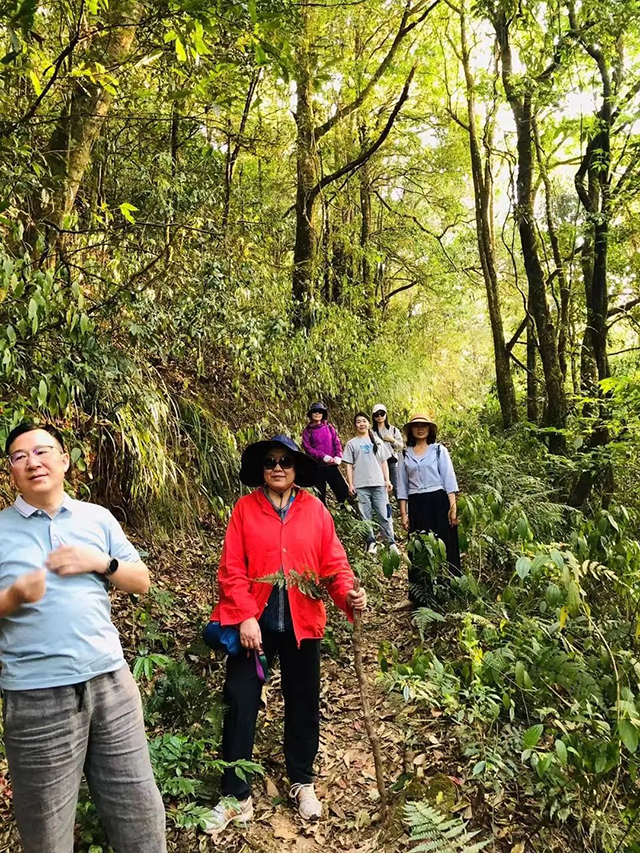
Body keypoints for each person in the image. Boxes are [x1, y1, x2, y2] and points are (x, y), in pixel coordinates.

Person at [0, 422, 166, 853]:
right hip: (36, 698)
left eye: (42, 451)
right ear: (10, 471)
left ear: (64, 459)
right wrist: (14, 596)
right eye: (20, 456)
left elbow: (141, 580)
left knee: (141, 817)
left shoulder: (97, 517)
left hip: (111, 684)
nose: (33, 462)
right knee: (47, 833)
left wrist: (100, 562)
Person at [205, 434, 366, 838]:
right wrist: (244, 616)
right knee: (241, 702)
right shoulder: (245, 509)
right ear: (262, 470)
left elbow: (333, 564)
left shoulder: (315, 510)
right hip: (253, 627)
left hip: (301, 621)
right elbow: (231, 569)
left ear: (296, 469)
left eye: (286, 462)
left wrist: (349, 593)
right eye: (270, 462)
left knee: (303, 702)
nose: (278, 467)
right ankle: (235, 795)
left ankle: (301, 780)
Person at [396, 414, 461, 603]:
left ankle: (449, 589)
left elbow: (449, 479)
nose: (420, 429)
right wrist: (403, 512)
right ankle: (419, 595)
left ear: (430, 429)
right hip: (416, 503)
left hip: (438, 501)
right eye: (416, 426)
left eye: (424, 425)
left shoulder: (439, 450)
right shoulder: (404, 454)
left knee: (445, 543)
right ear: (411, 430)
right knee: (418, 547)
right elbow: (402, 486)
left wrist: (453, 507)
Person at [342, 413, 397, 555]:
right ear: (355, 425)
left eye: (364, 421)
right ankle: (371, 542)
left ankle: (390, 543)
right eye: (358, 422)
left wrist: (387, 480)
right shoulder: (351, 443)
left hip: (378, 483)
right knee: (365, 517)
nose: (361, 424)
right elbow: (348, 465)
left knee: (384, 514)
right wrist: (350, 484)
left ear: (368, 423)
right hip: (360, 485)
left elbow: (384, 461)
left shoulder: (377, 441)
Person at [301, 402, 349, 505]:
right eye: (315, 411)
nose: (317, 413)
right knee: (319, 495)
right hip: (317, 466)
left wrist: (338, 456)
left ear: (323, 414)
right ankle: (323, 517)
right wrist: (322, 456)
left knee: (342, 491)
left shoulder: (329, 427)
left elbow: (336, 442)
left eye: (320, 411)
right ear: (311, 414)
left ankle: (347, 515)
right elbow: (308, 448)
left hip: (331, 465)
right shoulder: (307, 431)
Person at [371, 404, 404, 497]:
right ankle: (386, 510)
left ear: (386, 415)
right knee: (381, 488)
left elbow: (401, 446)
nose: (380, 416)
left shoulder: (393, 430)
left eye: (382, 413)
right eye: (377, 414)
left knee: (397, 487)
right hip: (378, 462)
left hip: (392, 461)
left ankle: (404, 510)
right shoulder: (371, 432)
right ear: (373, 416)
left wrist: (392, 440)